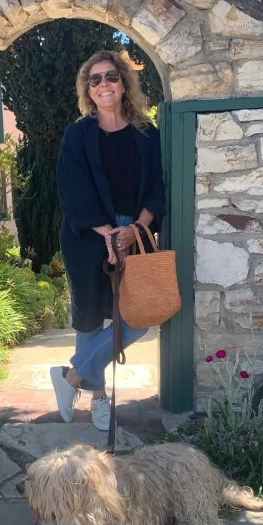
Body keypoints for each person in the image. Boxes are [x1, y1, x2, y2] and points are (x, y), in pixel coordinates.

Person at [51, 49, 167, 431]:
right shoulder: (78, 134)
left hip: (133, 232)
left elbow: (156, 189)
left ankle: (71, 378)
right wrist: (107, 234)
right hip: (88, 236)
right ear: (88, 88)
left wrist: (134, 230)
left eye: (111, 77)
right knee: (88, 318)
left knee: (136, 318)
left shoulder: (146, 133)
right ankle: (100, 398)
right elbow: (73, 188)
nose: (104, 84)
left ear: (124, 83)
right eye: (96, 79)